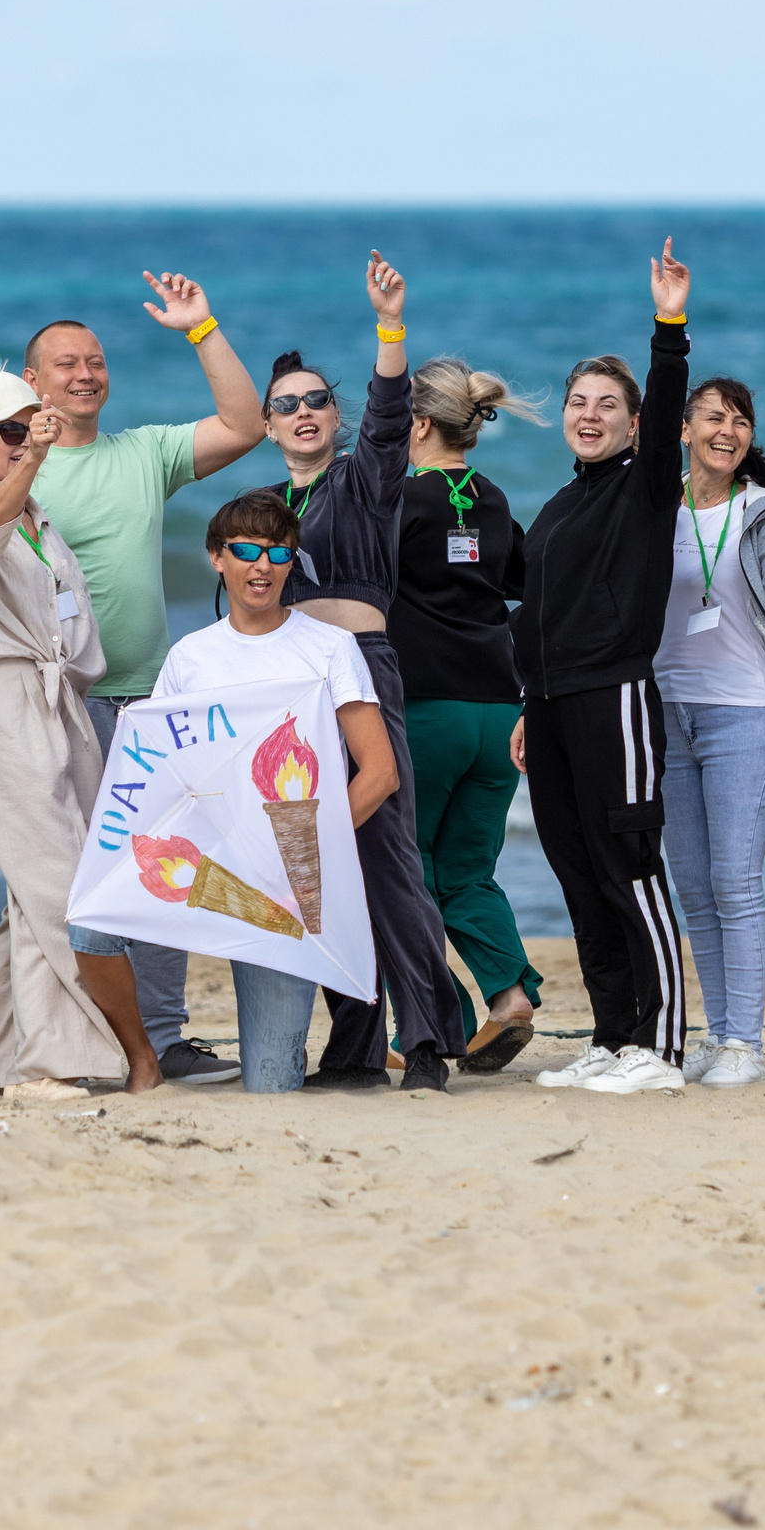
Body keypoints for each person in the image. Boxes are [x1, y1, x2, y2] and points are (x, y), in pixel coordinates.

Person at [27, 272, 269, 1087]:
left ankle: (162, 1036)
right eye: (66, 363)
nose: (85, 372)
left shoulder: (142, 453)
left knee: (167, 867)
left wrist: (201, 328)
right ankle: (85, 1035)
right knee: (73, 879)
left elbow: (245, 424)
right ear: (33, 381)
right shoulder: (17, 475)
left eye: (95, 360)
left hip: (155, 703)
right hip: (64, 705)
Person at [250, 253, 470, 1093]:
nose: (304, 412)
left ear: (335, 417)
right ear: (268, 425)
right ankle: (351, 1045)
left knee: (386, 856)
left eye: (317, 401)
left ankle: (425, 1041)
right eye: (287, 406)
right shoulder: (266, 508)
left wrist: (389, 326)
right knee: (320, 863)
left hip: (363, 678)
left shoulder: (365, 478)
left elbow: (389, 416)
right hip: (291, 695)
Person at [0, 371, 164, 1100]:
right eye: (10, 431)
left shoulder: (36, 512)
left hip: (54, 705)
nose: (27, 441)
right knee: (58, 890)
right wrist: (31, 459)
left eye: (33, 427)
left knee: (31, 892)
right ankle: (52, 1064)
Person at [513, 240, 697, 1096]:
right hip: (551, 707)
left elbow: (668, 421)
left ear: (631, 421)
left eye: (606, 405)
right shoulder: (562, 500)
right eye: (578, 402)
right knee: (578, 871)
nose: (588, 414)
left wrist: (668, 327)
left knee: (629, 864)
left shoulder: (645, 483)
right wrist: (526, 701)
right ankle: (613, 1034)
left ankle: (660, 1046)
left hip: (615, 694)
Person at [149, 493, 403, 1093]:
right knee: (96, 921)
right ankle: (139, 1056)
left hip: (297, 883)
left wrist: (306, 853)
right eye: (244, 551)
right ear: (216, 558)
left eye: (278, 552)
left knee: (269, 1083)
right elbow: (167, 776)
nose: (261, 566)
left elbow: (379, 772)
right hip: (226, 872)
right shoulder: (191, 658)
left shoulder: (329, 647)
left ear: (293, 562)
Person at [652, 378, 765, 1088]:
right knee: (692, 884)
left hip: (745, 711)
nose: (728, 429)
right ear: (683, 428)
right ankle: (718, 1035)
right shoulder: (654, 507)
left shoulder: (763, 509)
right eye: (713, 417)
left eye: (740, 421)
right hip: (665, 710)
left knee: (735, 880)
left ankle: (745, 1043)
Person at [394, 356, 546, 1071]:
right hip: (498, 713)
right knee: (469, 870)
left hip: (426, 707)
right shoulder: (489, 496)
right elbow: (518, 580)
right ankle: (510, 992)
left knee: (407, 869)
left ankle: (436, 1018)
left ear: (418, 422)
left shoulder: (399, 498)